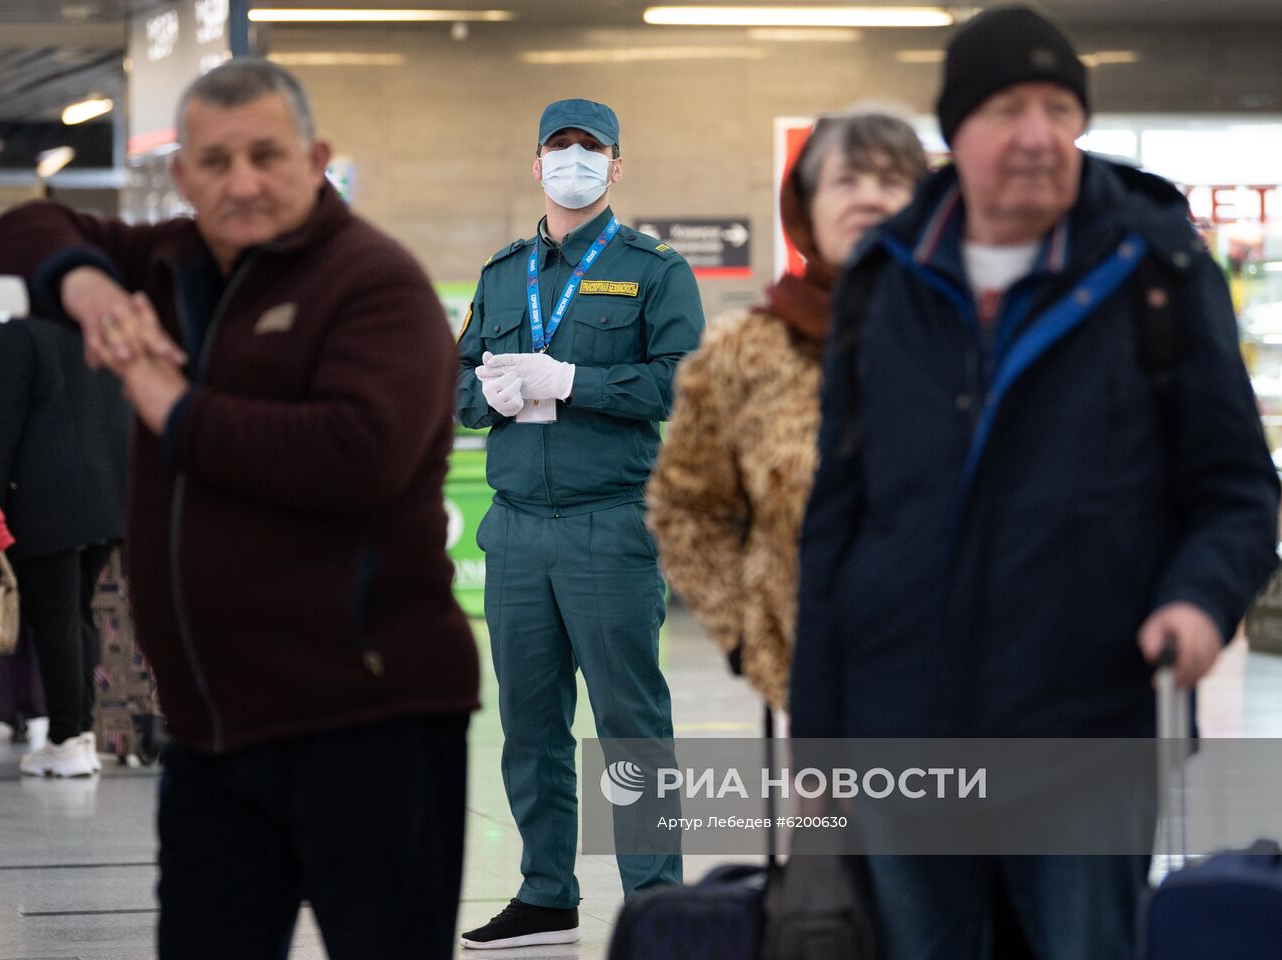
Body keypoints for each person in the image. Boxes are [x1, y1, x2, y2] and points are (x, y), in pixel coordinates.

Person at [789, 7, 1280, 959]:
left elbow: (1236, 487)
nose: (1037, 133)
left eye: (1061, 107)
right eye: (1009, 107)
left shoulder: (1158, 270)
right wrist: (820, 730)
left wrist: (1196, 600)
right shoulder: (884, 280)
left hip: (1081, 725)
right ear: (956, 130)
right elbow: (836, 516)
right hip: (904, 728)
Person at [0, 58, 479, 960]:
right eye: (214, 161)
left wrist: (174, 408)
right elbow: (18, 229)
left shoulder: (375, 284)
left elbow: (355, 457)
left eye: (265, 156)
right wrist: (86, 286)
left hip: (370, 723)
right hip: (215, 732)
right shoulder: (171, 260)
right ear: (181, 174)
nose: (240, 183)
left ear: (316, 157)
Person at [456, 98, 704, 949]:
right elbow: (454, 388)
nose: (573, 162)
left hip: (610, 525)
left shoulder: (654, 269)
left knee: (631, 726)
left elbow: (679, 385)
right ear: (536, 164)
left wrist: (575, 381)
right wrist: (480, 399)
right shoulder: (500, 273)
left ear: (615, 166)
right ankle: (546, 891)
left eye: (589, 149)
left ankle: (657, 903)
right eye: (558, 148)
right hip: (518, 528)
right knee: (529, 725)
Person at [648, 111, 926, 710]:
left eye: (891, 182)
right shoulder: (745, 350)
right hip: (821, 697)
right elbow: (686, 505)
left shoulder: (974, 339)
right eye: (846, 181)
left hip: (972, 696)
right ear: (807, 206)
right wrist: (754, 643)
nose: (869, 199)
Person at [0, 313, 130, 777]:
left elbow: (0, 422)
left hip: (46, 496)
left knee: (56, 621)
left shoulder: (20, 330)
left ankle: (66, 740)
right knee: (78, 618)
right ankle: (81, 735)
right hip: (104, 492)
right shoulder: (94, 323)